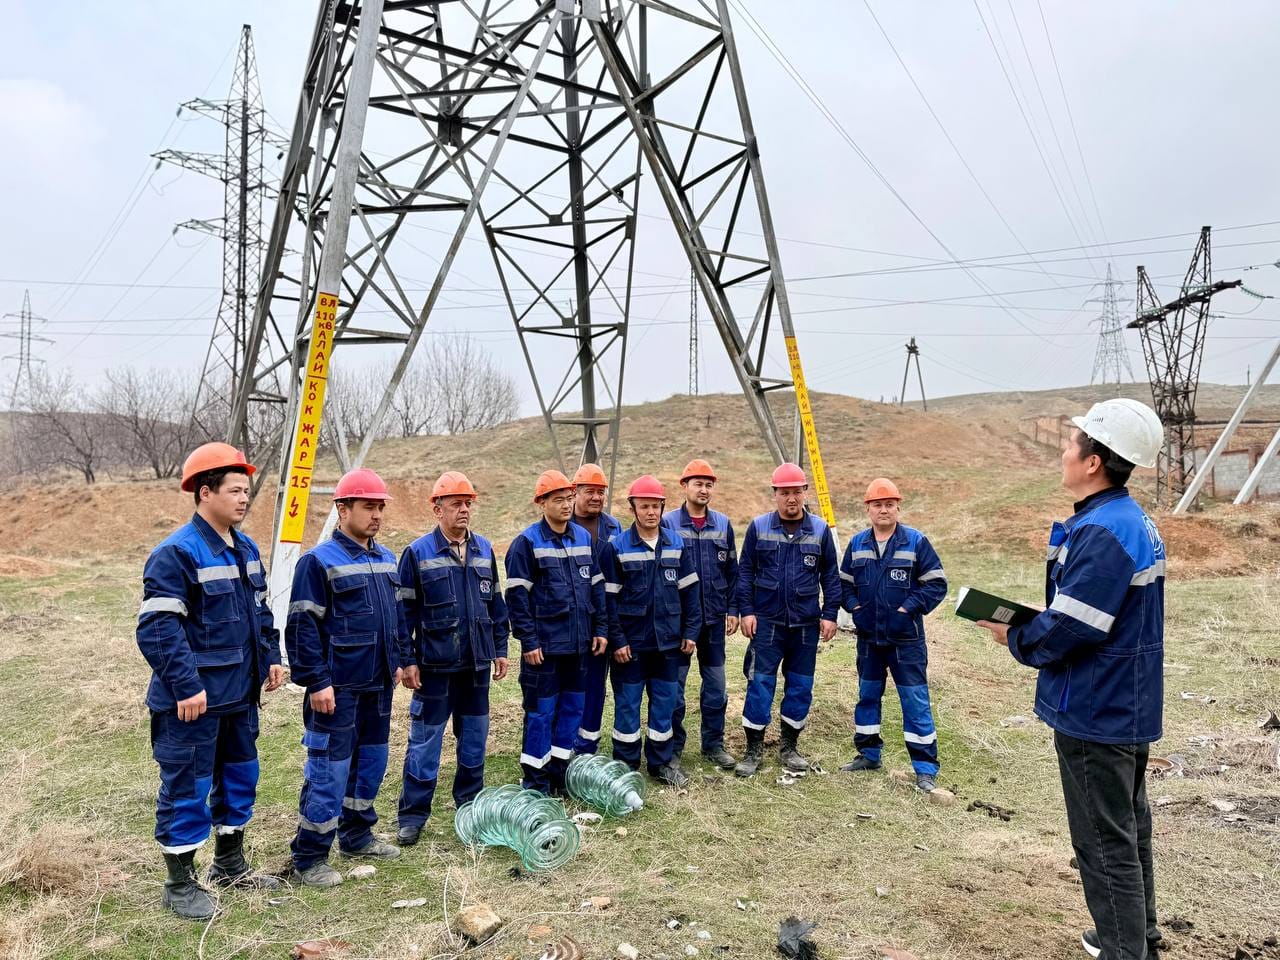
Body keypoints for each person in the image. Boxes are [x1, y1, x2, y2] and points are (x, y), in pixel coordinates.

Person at [975, 398, 1167, 960]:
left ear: (1093, 462)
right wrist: (1044, 619)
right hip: (1125, 698)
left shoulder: (1104, 530)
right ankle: (1137, 936)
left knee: (1103, 840)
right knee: (1127, 825)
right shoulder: (1129, 520)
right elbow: (1096, 612)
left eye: (1072, 442)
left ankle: (1124, 950)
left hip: (1094, 704)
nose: (1063, 450)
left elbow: (1075, 628)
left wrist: (1016, 636)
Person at [136, 442, 284, 920]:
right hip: (193, 704)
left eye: (246, 490)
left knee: (240, 779)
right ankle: (179, 883)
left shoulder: (246, 548)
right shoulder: (176, 553)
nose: (245, 498)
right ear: (205, 492)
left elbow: (261, 612)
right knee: (188, 787)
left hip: (239, 698)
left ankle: (229, 865)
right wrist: (186, 686)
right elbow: (158, 629)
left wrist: (272, 657)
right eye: (235, 490)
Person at [286, 468, 409, 888]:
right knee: (329, 772)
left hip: (379, 686)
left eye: (380, 508)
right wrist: (317, 682)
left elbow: (397, 618)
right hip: (336, 691)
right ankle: (309, 857)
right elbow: (302, 628)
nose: (377, 515)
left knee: (371, 765)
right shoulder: (318, 561)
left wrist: (400, 659)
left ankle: (357, 836)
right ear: (343, 509)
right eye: (368, 507)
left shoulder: (386, 558)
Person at [395, 472, 509, 846]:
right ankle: (412, 817)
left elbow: (495, 604)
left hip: (476, 667)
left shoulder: (484, 550)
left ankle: (471, 810)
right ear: (437, 509)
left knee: (474, 740)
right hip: (434, 669)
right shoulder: (417, 553)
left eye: (468, 503)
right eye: (456, 503)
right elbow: (403, 614)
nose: (464, 509)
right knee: (425, 743)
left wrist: (500, 649)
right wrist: (407, 660)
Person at [837, 478, 947, 791]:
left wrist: (906, 610)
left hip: (906, 641)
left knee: (914, 700)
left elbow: (936, 584)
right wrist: (855, 609)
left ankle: (924, 768)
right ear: (868, 509)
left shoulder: (916, 542)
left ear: (898, 507)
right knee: (867, 696)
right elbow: (843, 585)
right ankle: (868, 755)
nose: (883, 510)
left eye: (889, 504)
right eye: (877, 505)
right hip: (869, 640)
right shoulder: (857, 544)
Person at [504, 469, 608, 795]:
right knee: (540, 714)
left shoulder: (583, 538)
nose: (566, 505)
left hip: (579, 646)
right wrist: (529, 641)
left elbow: (597, 588)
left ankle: (560, 775)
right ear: (541, 503)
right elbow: (517, 598)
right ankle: (536, 782)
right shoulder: (526, 544)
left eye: (569, 498)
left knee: (572, 710)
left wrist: (600, 628)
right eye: (558, 500)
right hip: (545, 650)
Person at [734, 462, 840, 777]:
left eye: (796, 492)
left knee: (800, 687)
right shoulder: (758, 527)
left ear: (805, 492)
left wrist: (830, 614)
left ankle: (789, 747)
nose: (791, 498)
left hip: (805, 625)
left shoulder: (819, 530)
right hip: (766, 623)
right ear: (775, 494)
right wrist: (746, 611)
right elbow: (745, 572)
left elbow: (830, 575)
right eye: (784, 493)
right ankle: (753, 749)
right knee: (760, 684)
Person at [600, 475, 701, 786]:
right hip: (630, 647)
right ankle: (625, 766)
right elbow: (608, 601)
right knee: (628, 706)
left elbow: (691, 592)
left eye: (655, 506)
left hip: (668, 644)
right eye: (644, 506)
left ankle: (661, 763)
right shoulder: (616, 547)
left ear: (662, 508)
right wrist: (617, 641)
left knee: (664, 705)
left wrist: (691, 632)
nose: (651, 512)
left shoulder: (677, 544)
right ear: (633, 508)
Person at [662, 458, 739, 769]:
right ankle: (673, 748)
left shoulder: (722, 524)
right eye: (698, 484)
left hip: (714, 621)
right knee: (674, 689)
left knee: (716, 687)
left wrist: (733, 609)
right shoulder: (668, 523)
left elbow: (732, 571)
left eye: (709, 485)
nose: (704, 490)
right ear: (684, 486)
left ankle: (713, 745)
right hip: (679, 623)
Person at [569, 463, 623, 755]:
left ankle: (586, 745)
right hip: (573, 618)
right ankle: (563, 742)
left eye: (601, 492)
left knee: (595, 686)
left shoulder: (614, 528)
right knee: (569, 685)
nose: (596, 497)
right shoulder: (563, 524)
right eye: (589, 491)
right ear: (575, 492)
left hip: (608, 617)